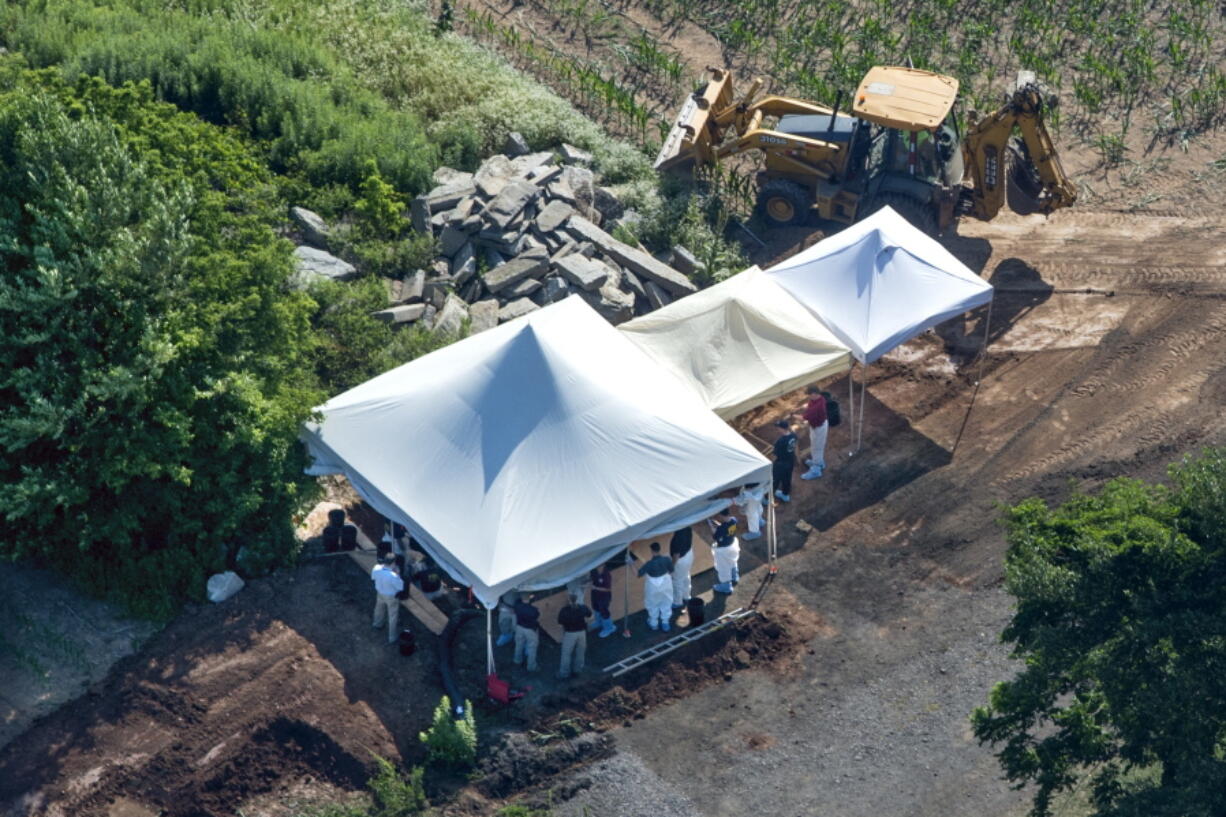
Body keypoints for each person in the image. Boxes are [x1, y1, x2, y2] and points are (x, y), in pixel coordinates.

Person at [636, 542, 674, 632]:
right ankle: (665, 623)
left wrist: (630, 563)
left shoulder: (649, 564)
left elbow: (637, 574)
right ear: (659, 549)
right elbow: (672, 571)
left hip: (652, 587)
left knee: (653, 604)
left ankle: (654, 624)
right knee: (666, 602)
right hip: (666, 584)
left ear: (652, 551)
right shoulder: (666, 559)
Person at [370, 551, 405, 645]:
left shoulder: (376, 568)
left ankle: (377, 624)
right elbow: (400, 587)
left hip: (380, 593)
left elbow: (373, 578)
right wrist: (398, 574)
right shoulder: (393, 576)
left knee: (378, 609)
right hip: (391, 597)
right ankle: (392, 637)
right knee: (392, 616)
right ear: (393, 563)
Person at [556, 593, 592, 679]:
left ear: (568, 600)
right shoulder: (582, 608)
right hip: (582, 633)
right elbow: (590, 615)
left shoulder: (564, 610)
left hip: (570, 634)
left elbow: (560, 624)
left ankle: (564, 673)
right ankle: (578, 670)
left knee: (566, 654)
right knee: (580, 652)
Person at [708, 509, 740, 594]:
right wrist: (717, 525)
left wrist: (712, 527)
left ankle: (726, 587)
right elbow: (725, 527)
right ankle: (734, 577)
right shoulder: (733, 520)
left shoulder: (721, 528)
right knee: (733, 562)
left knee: (723, 568)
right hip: (733, 545)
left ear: (721, 515)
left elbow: (715, 536)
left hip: (723, 550)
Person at [801, 386, 828, 480]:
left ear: (814, 394)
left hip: (819, 428)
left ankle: (816, 471)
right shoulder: (819, 398)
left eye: (809, 394)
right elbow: (810, 405)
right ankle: (819, 463)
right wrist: (806, 406)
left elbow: (804, 417)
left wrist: (793, 415)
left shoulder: (817, 406)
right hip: (816, 425)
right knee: (815, 446)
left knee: (817, 448)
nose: (808, 396)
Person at [513, 594, 541, 672]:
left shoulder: (517, 605)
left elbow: (518, 601)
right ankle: (531, 666)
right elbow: (537, 616)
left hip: (519, 627)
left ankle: (517, 660)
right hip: (530, 629)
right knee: (532, 648)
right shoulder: (533, 609)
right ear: (530, 598)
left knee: (519, 644)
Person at [669, 526, 694, 611]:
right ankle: (686, 596)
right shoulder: (688, 527)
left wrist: (671, 567)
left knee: (677, 581)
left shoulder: (677, 538)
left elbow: (676, 555)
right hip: (689, 554)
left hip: (681, 560)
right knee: (686, 575)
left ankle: (677, 602)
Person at [772, 419, 798, 503]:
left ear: (782, 429)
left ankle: (767, 499)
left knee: (775, 480)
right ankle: (785, 495)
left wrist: (771, 464)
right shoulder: (793, 435)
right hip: (790, 462)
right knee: (787, 479)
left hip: (780, 464)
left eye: (778, 427)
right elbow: (795, 447)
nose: (777, 429)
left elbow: (774, 455)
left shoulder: (780, 441)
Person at [589, 563, 617, 638]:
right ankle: (599, 622)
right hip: (595, 595)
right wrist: (586, 582)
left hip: (604, 597)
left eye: (599, 565)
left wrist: (595, 588)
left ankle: (609, 628)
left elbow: (608, 589)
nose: (597, 566)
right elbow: (592, 578)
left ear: (603, 564)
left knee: (604, 612)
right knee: (595, 608)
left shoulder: (606, 575)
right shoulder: (593, 570)